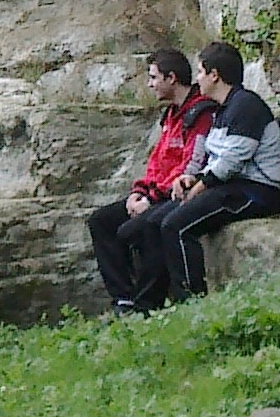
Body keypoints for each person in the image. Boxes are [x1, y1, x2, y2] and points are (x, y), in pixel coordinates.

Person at [146, 42, 280, 303]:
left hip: (256, 190)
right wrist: (192, 178)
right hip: (231, 186)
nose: (198, 79)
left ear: (215, 75)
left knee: (177, 226)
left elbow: (233, 160)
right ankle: (162, 300)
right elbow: (216, 157)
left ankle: (192, 301)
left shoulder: (246, 104)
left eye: (201, 72)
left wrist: (201, 185)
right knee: (158, 220)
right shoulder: (224, 108)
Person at [86, 51, 216, 314]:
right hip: (155, 194)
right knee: (101, 221)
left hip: (179, 192)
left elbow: (192, 163)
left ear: (172, 78)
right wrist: (139, 192)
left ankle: (147, 304)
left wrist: (152, 199)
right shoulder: (170, 115)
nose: (150, 84)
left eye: (154, 77)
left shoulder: (200, 113)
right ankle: (123, 299)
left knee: (137, 229)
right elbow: (156, 162)